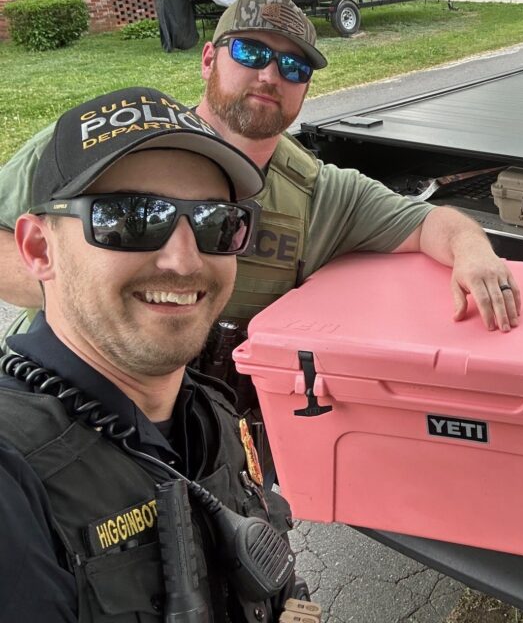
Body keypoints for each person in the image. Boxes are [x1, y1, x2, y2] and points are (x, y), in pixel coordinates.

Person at [0, 0, 521, 337]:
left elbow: (430, 222)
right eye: (250, 53)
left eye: (293, 66)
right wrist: (98, 301)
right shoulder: (104, 140)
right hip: (64, 397)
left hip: (215, 418)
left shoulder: (319, 194)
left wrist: (474, 254)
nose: (271, 75)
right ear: (209, 59)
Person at [0, 87, 307, 621]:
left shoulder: (214, 413)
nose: (184, 261)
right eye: (131, 219)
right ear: (39, 249)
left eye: (216, 222)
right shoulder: (13, 482)